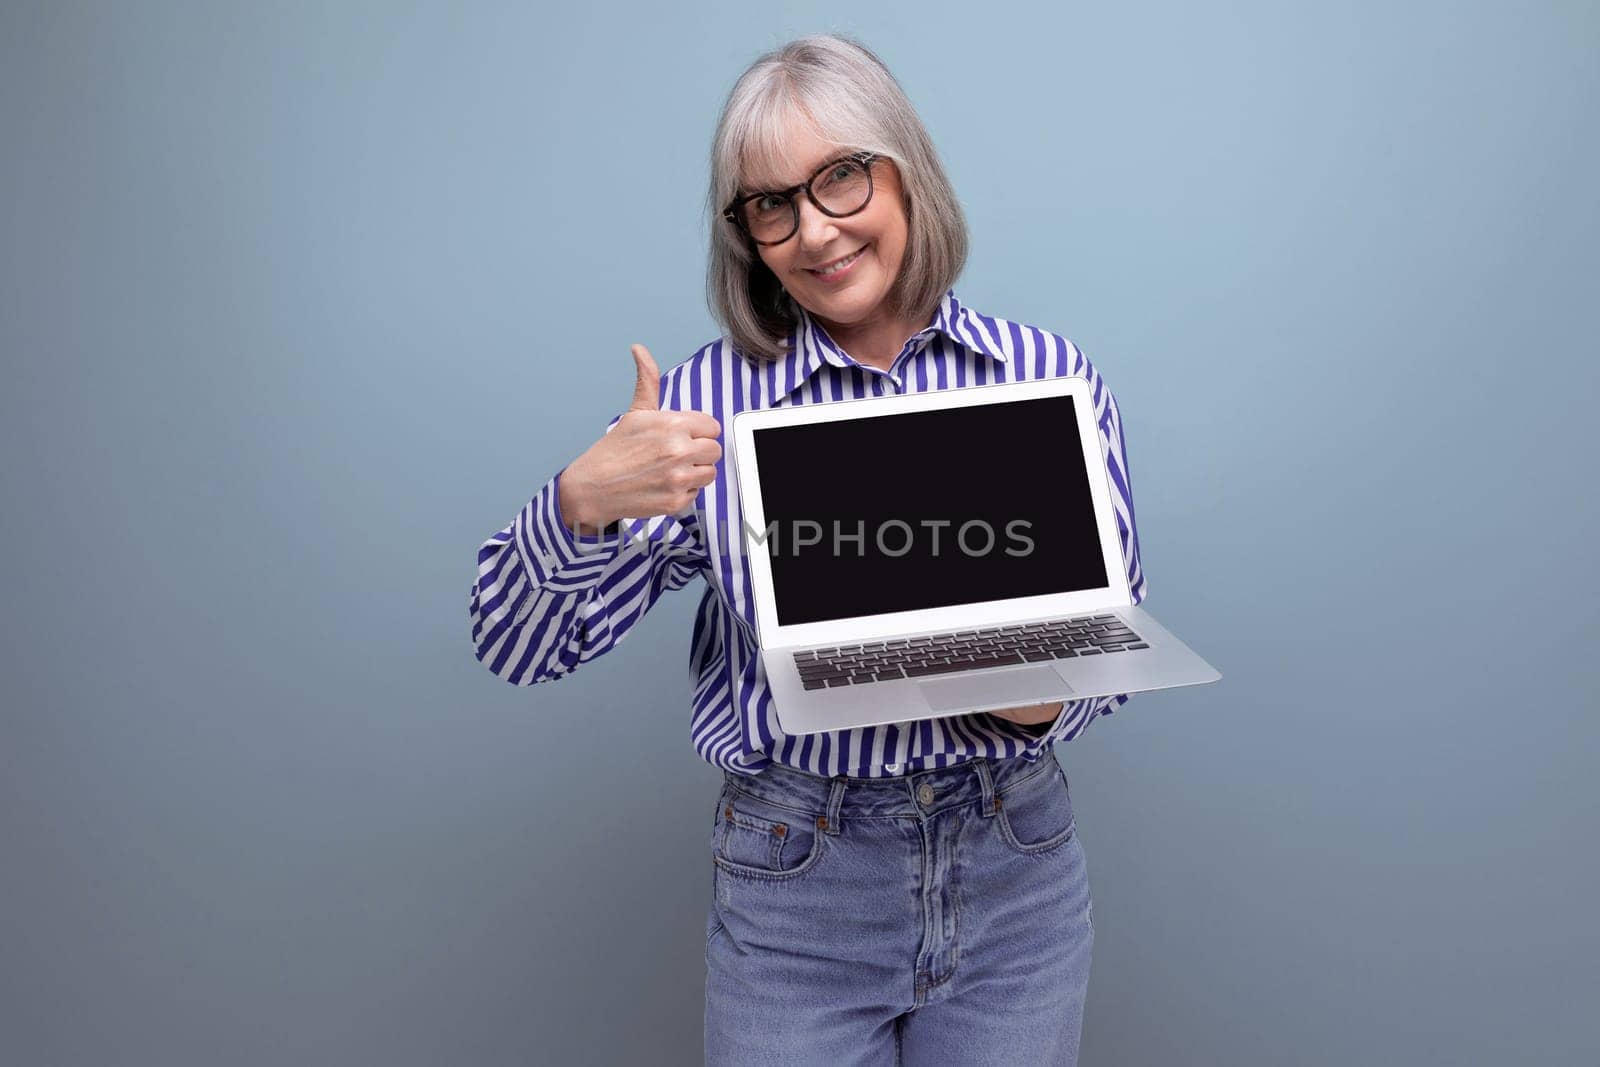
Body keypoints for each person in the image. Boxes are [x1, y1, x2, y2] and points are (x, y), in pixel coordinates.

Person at [468, 33, 1147, 1067]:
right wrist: (579, 505)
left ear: (903, 171)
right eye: (771, 203)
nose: (814, 230)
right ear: (747, 233)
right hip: (800, 878)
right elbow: (516, 645)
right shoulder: (704, 407)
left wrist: (1046, 692)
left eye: (840, 177)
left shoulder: (1043, 376)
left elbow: (1107, 656)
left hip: (1016, 868)